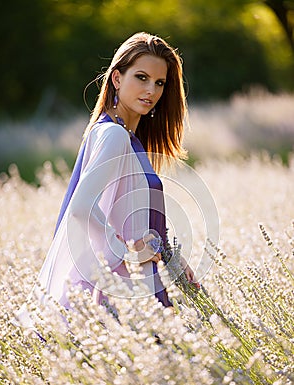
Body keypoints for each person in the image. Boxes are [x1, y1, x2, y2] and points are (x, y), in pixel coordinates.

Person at [35, 32, 196, 310]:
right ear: (117, 78)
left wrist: (170, 256)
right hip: (119, 290)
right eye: (141, 77)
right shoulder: (114, 135)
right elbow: (80, 207)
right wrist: (126, 252)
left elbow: (132, 217)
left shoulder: (125, 137)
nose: (151, 91)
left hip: (134, 285)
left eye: (159, 83)